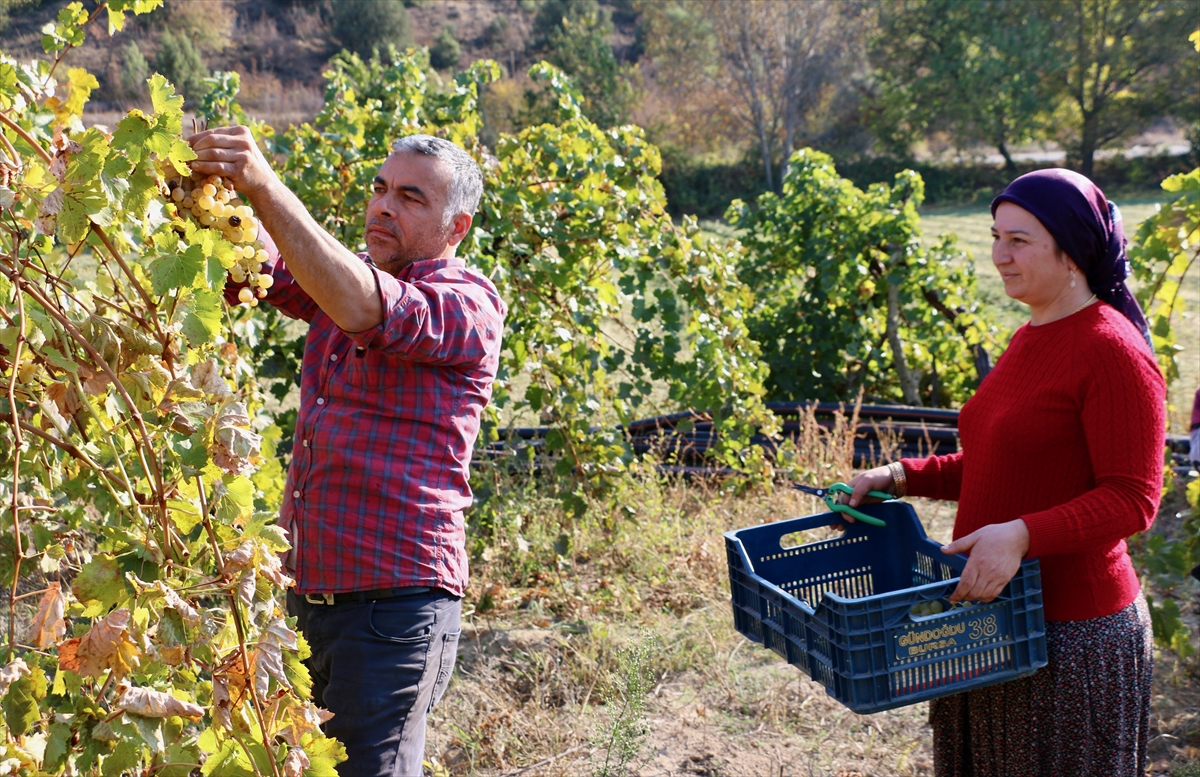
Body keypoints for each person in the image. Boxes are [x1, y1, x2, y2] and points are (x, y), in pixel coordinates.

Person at [188, 127, 507, 776]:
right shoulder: (339, 285)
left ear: (456, 227)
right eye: (380, 188)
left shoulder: (467, 303)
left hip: (395, 612)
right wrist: (193, 196)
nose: (384, 206)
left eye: (411, 197)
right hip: (311, 599)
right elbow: (264, 268)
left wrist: (265, 183)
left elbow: (368, 306)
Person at [846, 169, 1165, 777]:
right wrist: (901, 475)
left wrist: (1020, 535)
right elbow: (1004, 460)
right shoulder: (1031, 336)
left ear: (1071, 251)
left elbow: (1133, 500)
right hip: (991, 621)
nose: (998, 255)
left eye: (1019, 240)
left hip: (1071, 639)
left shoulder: (1112, 351)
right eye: (996, 236)